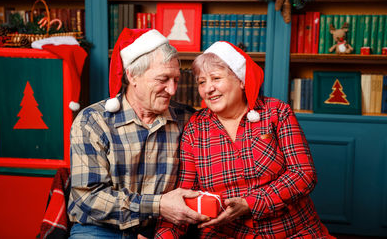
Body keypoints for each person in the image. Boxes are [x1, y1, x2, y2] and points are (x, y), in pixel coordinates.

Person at [155, 41, 334, 238]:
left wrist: (250, 203)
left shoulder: (275, 112)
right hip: (226, 234)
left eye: (216, 78)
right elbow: (185, 195)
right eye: (201, 82)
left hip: (293, 231)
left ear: (241, 80)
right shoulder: (195, 129)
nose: (208, 89)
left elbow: (303, 174)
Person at [67, 28, 209, 239]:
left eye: (176, 80)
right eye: (163, 79)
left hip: (161, 229)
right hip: (100, 229)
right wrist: (158, 205)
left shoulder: (187, 120)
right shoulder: (93, 121)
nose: (172, 90)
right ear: (132, 76)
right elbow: (88, 199)